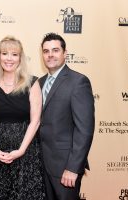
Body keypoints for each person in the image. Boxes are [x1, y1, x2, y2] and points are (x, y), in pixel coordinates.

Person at [0, 36, 45, 200]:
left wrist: (21, 150)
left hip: (25, 152)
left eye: (14, 54)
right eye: (5, 53)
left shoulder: (32, 83)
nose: (9, 58)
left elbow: (35, 121)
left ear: (20, 58)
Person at [39, 33, 95, 200]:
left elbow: (84, 129)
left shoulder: (78, 82)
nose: (50, 55)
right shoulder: (39, 83)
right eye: (46, 51)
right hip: (41, 164)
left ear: (65, 53)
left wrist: (73, 167)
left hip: (65, 167)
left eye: (55, 50)